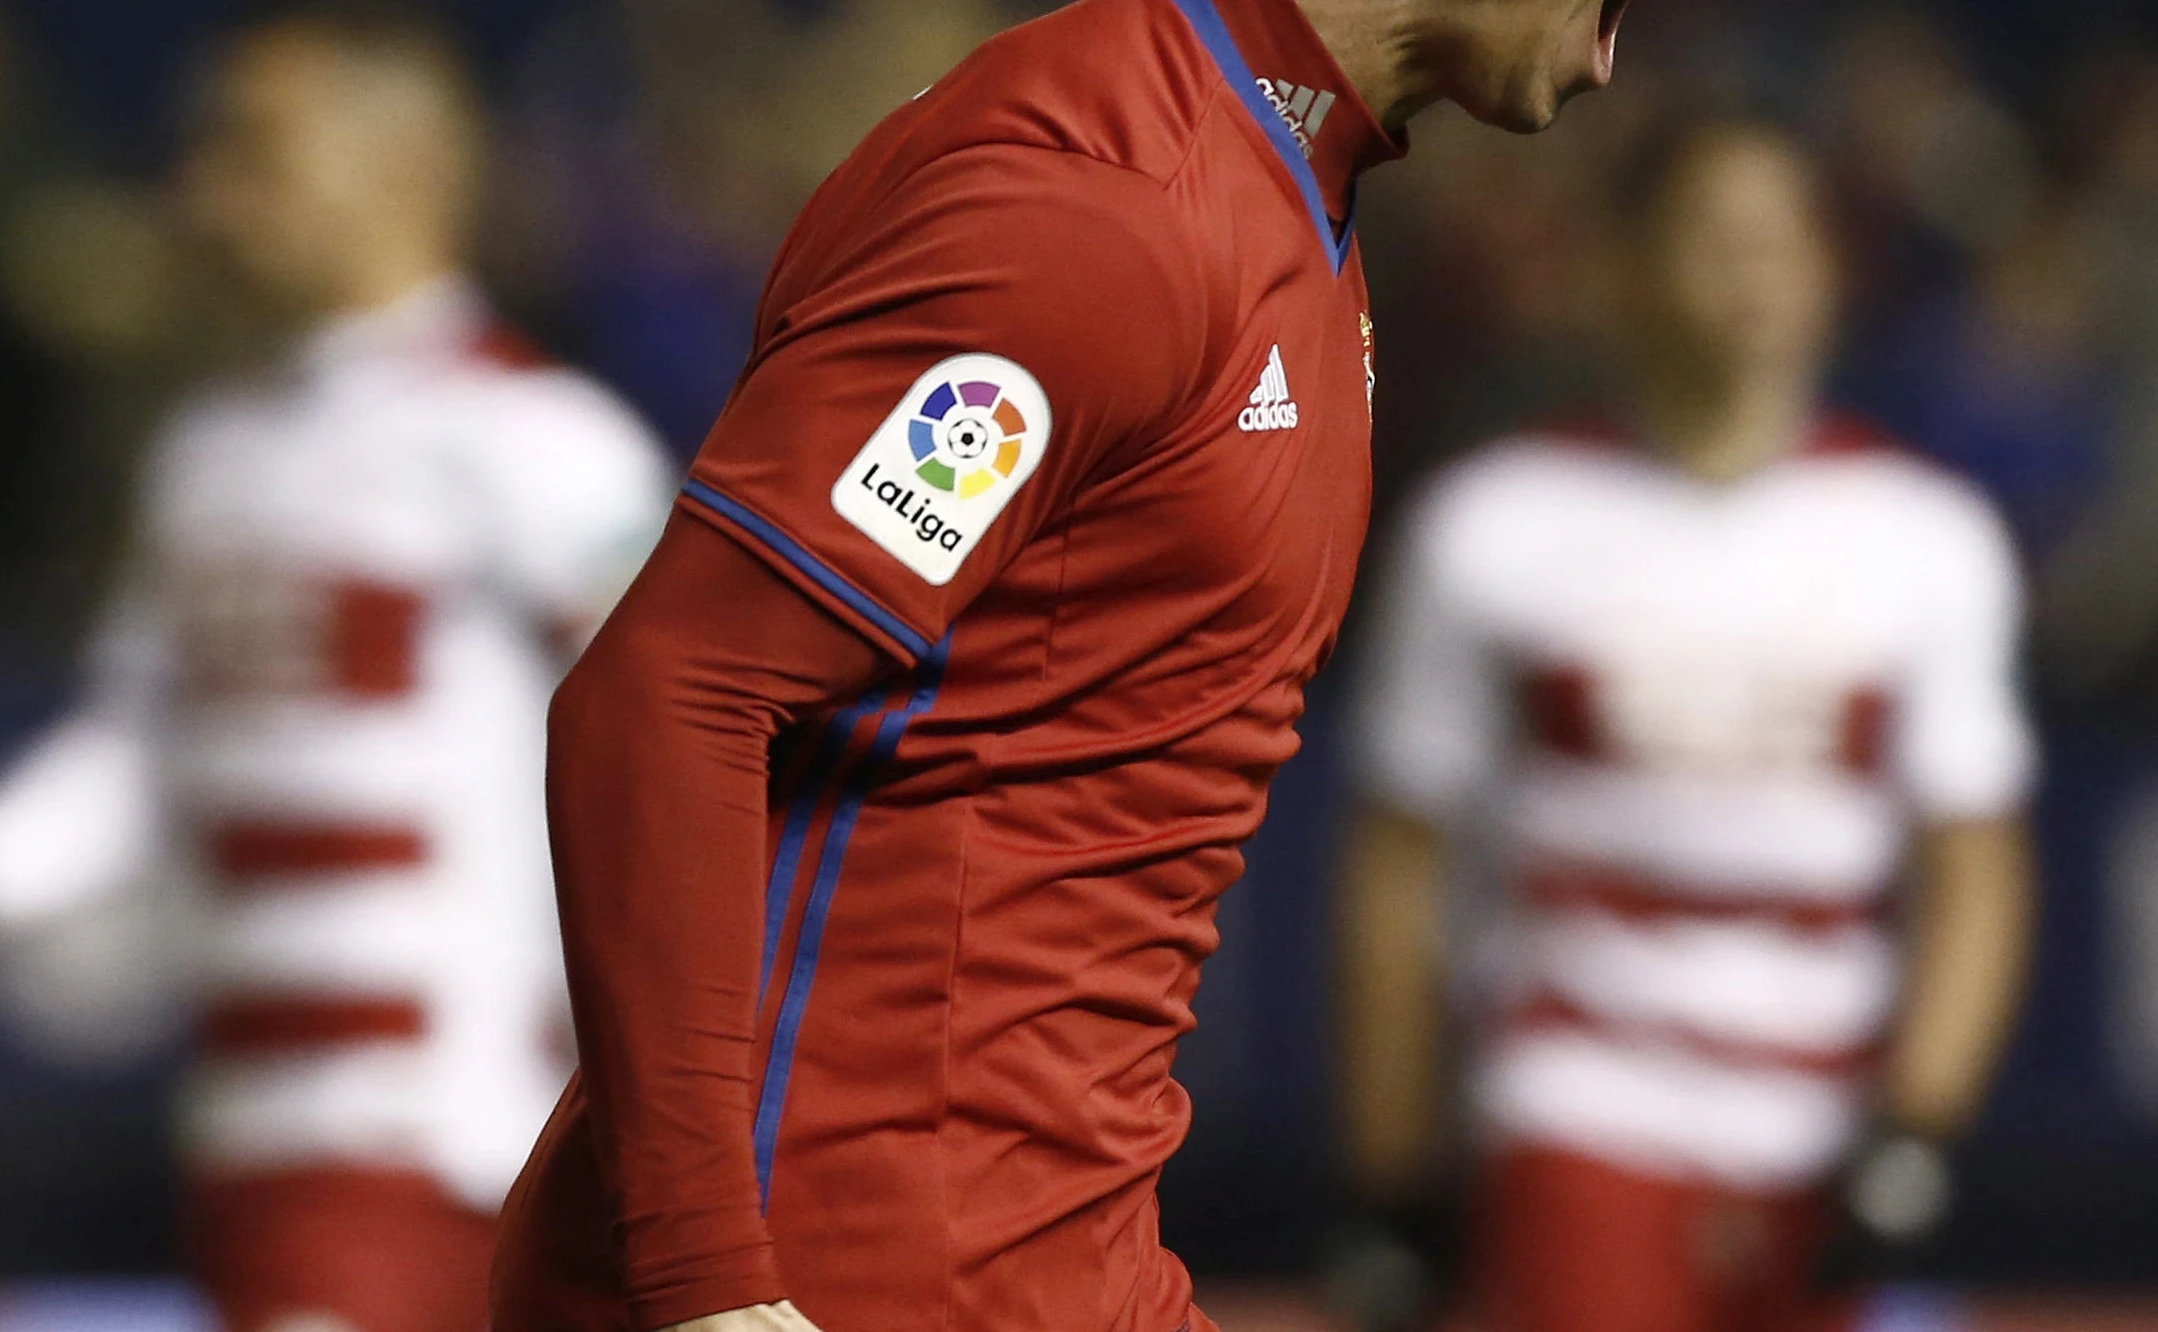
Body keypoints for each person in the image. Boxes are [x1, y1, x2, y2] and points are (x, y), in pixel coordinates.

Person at [489, 1, 1634, 1331]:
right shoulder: (1104, 200)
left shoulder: (1284, 191)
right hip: (844, 1265)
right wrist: (704, 1281)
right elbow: (671, 691)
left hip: (1057, 1249)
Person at [0, 8, 672, 1332]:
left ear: (402, 162)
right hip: (257, 1139)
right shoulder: (212, 454)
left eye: (257, 149)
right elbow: (142, 744)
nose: (209, 191)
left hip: (452, 1134)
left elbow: (708, 725)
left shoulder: (530, 440)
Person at [1337, 119, 2038, 1332]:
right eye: (1712, 239)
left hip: (1823, 1134)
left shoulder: (1923, 539)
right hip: (1577, 1119)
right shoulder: (1494, 524)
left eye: (1778, 241)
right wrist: (1393, 1176)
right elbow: (1400, 870)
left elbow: (1975, 865)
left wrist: (1917, 1128)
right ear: (1623, 266)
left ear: (1832, 269)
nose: (1748, 276)